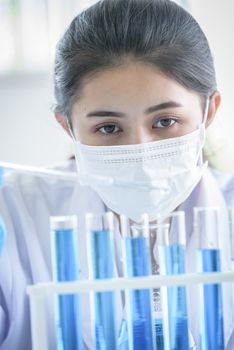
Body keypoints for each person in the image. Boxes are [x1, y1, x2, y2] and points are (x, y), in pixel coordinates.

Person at [0, 0, 234, 349]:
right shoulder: (15, 214)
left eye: (165, 122)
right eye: (108, 127)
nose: (140, 152)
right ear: (68, 127)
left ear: (208, 111)